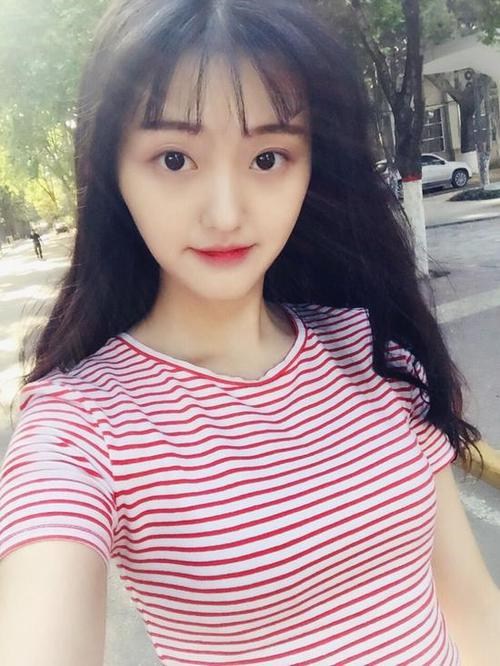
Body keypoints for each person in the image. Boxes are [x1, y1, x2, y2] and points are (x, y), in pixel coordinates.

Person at [0, 1, 498, 665]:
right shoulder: (81, 425)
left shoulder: (372, 351)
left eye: (268, 157)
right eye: (174, 158)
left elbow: (473, 604)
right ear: (112, 170)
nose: (226, 213)